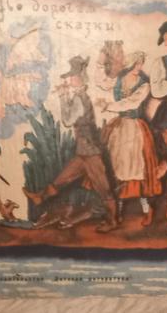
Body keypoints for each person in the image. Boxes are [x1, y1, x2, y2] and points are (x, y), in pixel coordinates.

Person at [23, 56, 118, 232]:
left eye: (72, 76)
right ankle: (39, 198)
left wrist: (62, 96)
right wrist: (65, 95)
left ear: (80, 77)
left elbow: (67, 120)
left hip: (90, 153)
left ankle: (112, 221)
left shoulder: (80, 98)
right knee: (61, 180)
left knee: (103, 189)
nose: (69, 80)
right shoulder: (78, 97)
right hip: (83, 151)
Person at [96, 51, 162, 225]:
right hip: (119, 128)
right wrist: (99, 64)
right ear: (131, 63)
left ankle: (147, 210)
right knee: (118, 167)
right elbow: (102, 83)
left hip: (134, 128)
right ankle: (117, 212)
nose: (139, 67)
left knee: (137, 168)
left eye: (141, 63)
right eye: (136, 63)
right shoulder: (119, 79)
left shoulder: (144, 84)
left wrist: (108, 106)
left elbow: (132, 103)